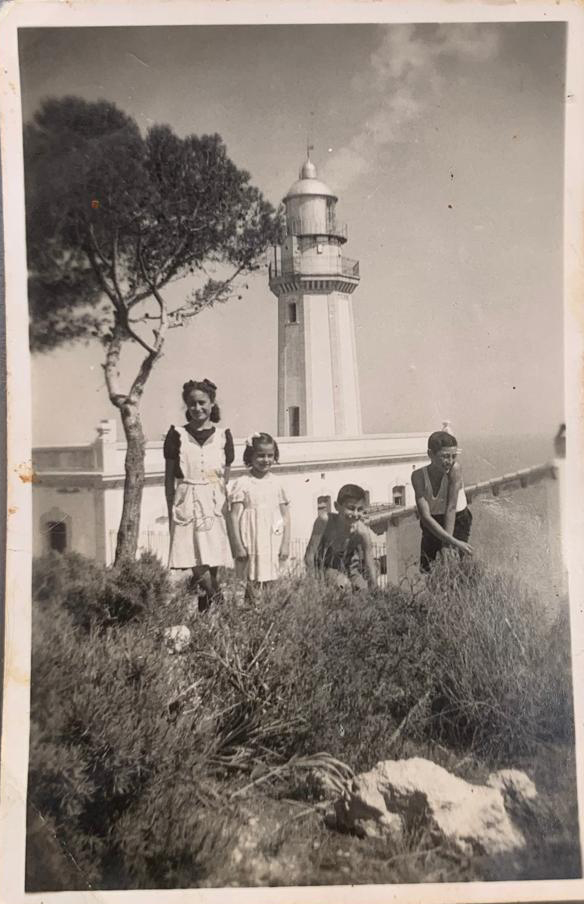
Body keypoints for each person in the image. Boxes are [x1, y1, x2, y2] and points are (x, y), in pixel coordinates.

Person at [164, 378, 234, 610]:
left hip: (214, 502)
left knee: (212, 564)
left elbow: (225, 476)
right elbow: (169, 478)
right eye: (192, 404)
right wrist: (170, 508)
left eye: (202, 402)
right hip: (187, 502)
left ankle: (207, 618)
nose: (197, 408)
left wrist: (222, 505)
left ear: (212, 403)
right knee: (197, 563)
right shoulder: (177, 435)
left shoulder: (224, 437)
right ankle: (223, 607)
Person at [229, 432, 290, 600]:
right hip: (251, 539)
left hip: (272, 539)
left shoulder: (277, 483)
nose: (266, 460)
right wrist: (238, 545)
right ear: (251, 456)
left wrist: (285, 544)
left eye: (270, 455)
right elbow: (233, 516)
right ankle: (253, 616)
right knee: (252, 581)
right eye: (261, 455)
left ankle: (270, 615)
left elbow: (286, 517)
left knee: (272, 581)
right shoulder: (243, 483)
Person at [411, 430, 473, 573]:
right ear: (430, 454)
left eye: (453, 456)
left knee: (454, 567)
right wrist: (454, 542)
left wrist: (447, 545)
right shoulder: (418, 476)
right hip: (432, 521)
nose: (450, 461)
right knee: (428, 569)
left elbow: (451, 507)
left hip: (457, 518)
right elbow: (425, 517)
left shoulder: (454, 469)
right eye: (445, 456)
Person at [304, 484, 377, 591]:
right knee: (343, 585)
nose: (355, 514)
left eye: (360, 509)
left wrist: (374, 588)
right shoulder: (325, 521)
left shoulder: (362, 532)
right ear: (337, 506)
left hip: (349, 570)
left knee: (363, 591)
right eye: (351, 508)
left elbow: (369, 562)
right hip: (324, 568)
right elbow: (309, 555)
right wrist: (313, 583)